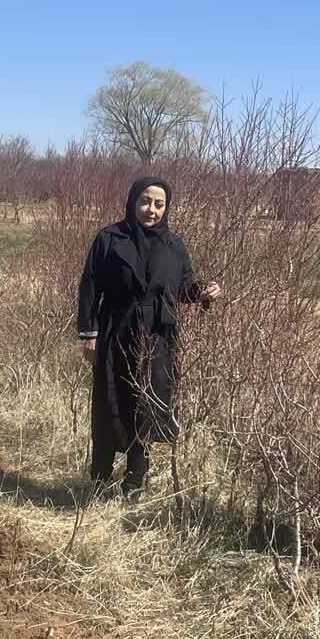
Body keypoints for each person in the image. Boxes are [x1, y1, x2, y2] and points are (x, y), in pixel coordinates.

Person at [76, 176, 222, 501]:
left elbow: (183, 288)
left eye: (159, 204)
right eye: (145, 201)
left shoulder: (174, 245)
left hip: (157, 339)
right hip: (116, 332)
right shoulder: (109, 239)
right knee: (109, 403)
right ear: (132, 202)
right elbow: (89, 288)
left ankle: (134, 483)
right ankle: (99, 479)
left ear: (166, 207)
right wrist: (89, 334)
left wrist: (204, 292)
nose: (151, 209)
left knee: (147, 407)